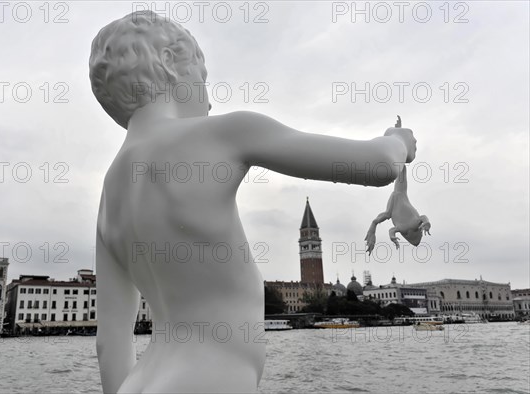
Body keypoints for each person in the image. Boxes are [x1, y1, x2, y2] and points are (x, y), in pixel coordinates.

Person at [89, 11, 417, 394]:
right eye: (202, 77)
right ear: (168, 65)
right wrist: (399, 141)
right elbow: (375, 166)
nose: (209, 99)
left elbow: (109, 341)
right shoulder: (224, 132)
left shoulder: (110, 191)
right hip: (208, 378)